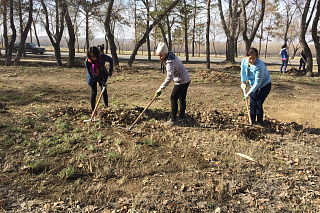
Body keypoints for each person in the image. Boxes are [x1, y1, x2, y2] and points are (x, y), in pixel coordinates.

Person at [155, 42, 191, 126]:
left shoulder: (170, 62)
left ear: (166, 53)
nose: (160, 57)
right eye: (158, 55)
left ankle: (173, 120)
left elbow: (169, 77)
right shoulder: (170, 56)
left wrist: (161, 88)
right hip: (186, 78)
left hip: (182, 80)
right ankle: (181, 117)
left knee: (173, 98)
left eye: (161, 55)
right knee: (182, 98)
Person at [241, 47, 271, 125]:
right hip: (253, 84)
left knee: (258, 103)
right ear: (246, 56)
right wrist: (243, 82)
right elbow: (243, 72)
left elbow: (257, 83)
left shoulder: (259, 66)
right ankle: (252, 122)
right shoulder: (244, 61)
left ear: (256, 57)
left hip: (265, 85)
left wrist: (249, 93)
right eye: (250, 58)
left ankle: (260, 122)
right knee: (252, 104)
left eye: (254, 58)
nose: (251, 60)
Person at [85, 46, 113, 117]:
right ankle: (93, 111)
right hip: (92, 78)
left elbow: (111, 60)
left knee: (103, 91)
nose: (92, 57)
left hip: (102, 75)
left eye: (93, 56)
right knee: (94, 93)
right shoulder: (87, 62)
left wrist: (110, 71)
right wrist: (100, 81)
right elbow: (92, 75)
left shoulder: (102, 57)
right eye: (90, 56)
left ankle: (106, 108)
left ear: (97, 54)